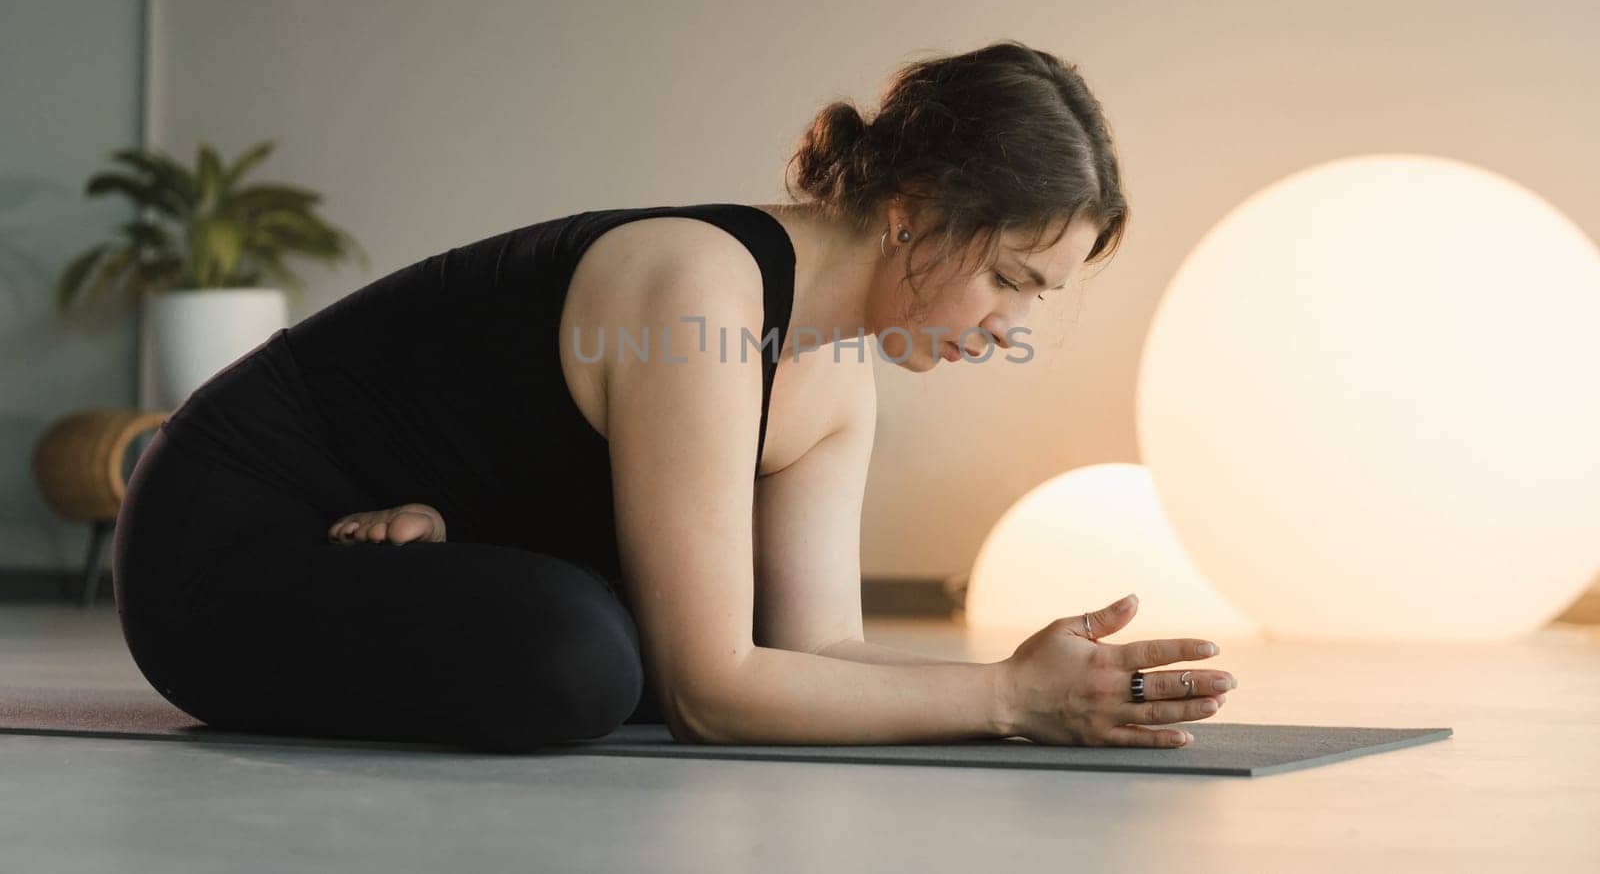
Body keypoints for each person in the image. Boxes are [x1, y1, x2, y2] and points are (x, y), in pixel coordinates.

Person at [113, 39, 1235, 753]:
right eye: (1009, 280)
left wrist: (1033, 683)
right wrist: (1004, 702)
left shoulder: (837, 376)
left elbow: (817, 654)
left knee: (683, 633)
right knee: (594, 661)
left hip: (386, 544)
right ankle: (441, 572)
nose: (1013, 329)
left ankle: (443, 560)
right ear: (912, 211)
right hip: (227, 541)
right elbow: (714, 692)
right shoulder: (697, 285)